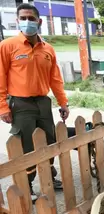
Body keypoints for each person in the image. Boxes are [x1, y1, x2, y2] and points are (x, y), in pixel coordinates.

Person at [0, 3, 69, 201]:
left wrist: (63, 102)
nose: (27, 22)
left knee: (49, 140)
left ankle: (49, 177)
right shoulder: (7, 46)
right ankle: (27, 185)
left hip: (43, 103)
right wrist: (3, 107)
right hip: (21, 104)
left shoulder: (47, 49)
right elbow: (1, 78)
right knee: (26, 145)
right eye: (23, 18)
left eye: (31, 18)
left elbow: (55, 79)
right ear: (17, 21)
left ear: (39, 22)